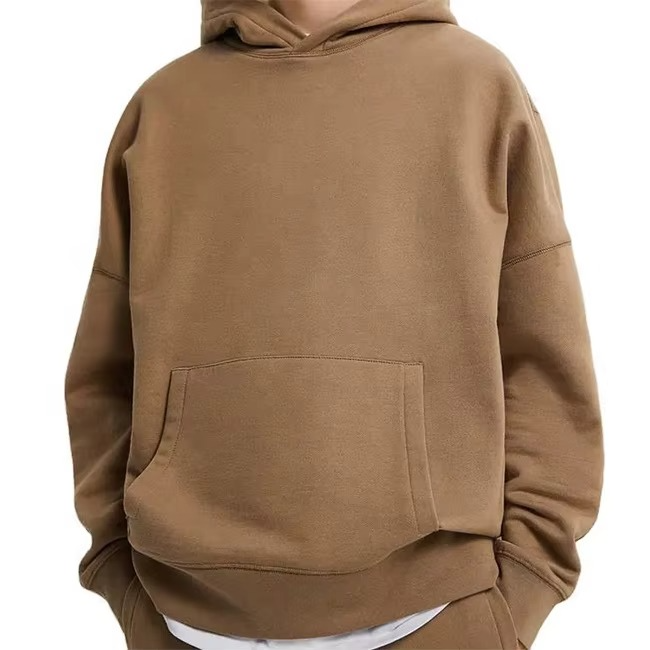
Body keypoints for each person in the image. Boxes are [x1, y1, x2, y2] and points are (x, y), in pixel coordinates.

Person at [64, 1, 604, 648]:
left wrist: (518, 596)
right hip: (183, 619)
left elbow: (544, 363)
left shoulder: (476, 84)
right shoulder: (164, 107)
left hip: (433, 614)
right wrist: (121, 583)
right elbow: (105, 372)